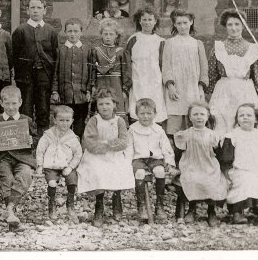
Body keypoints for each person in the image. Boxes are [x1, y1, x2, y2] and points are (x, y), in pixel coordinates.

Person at [77, 88, 133, 227]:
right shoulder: (93, 121)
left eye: (108, 104)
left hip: (115, 153)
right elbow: (89, 142)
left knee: (120, 168)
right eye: (101, 104)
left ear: (114, 104)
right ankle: (99, 205)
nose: (104, 107)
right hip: (96, 154)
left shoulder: (119, 121)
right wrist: (103, 148)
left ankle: (116, 198)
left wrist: (108, 145)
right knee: (97, 170)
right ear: (97, 106)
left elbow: (123, 141)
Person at [207, 9, 258, 134]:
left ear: (243, 26)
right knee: (222, 122)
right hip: (224, 91)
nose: (234, 28)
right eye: (230, 25)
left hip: (244, 91)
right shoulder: (218, 48)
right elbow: (212, 74)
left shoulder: (253, 49)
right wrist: (209, 91)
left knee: (244, 121)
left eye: (237, 24)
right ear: (225, 26)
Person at [162, 9, 208, 161]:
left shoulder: (197, 44)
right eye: (179, 23)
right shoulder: (169, 43)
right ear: (174, 25)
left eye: (185, 23)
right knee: (175, 126)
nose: (182, 26)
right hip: (176, 89)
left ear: (191, 22)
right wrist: (170, 86)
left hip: (192, 88)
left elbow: (203, 68)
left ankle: (192, 160)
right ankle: (174, 163)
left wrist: (200, 88)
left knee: (192, 123)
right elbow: (166, 66)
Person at [0, 85, 36, 230]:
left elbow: (35, 138)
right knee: (7, 178)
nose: (10, 107)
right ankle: (11, 211)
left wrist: (31, 141)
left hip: (22, 157)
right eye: (7, 103)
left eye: (14, 103)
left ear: (20, 102)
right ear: (1, 103)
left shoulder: (26, 120)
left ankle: (9, 210)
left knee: (25, 174)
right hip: (2, 158)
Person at [173, 101, 227, 227]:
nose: (198, 117)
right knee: (191, 179)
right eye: (195, 114)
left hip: (209, 165)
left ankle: (211, 211)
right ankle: (192, 209)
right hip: (191, 165)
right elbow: (178, 153)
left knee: (212, 180)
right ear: (190, 117)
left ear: (207, 116)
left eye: (202, 114)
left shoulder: (213, 135)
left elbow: (218, 154)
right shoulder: (185, 134)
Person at [12, 0, 59, 138]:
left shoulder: (50, 31)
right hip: (25, 77)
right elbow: (14, 56)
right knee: (25, 109)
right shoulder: (20, 30)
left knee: (43, 109)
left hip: (44, 76)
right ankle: (26, 142)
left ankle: (42, 141)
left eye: (39, 8)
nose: (35, 11)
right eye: (32, 7)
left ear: (45, 11)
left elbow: (55, 56)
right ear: (27, 10)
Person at [127, 98, 175, 221]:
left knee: (159, 171)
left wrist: (169, 162)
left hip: (154, 159)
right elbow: (129, 148)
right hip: (139, 159)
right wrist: (127, 164)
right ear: (136, 114)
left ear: (155, 114)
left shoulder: (158, 130)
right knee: (140, 173)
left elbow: (166, 148)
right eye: (142, 113)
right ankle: (141, 205)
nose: (145, 116)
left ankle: (159, 204)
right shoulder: (132, 129)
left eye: (149, 113)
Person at [36, 105, 83, 223]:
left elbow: (78, 154)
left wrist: (71, 166)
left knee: (72, 181)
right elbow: (40, 150)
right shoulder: (48, 135)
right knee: (52, 183)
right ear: (55, 120)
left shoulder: (73, 138)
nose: (64, 123)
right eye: (61, 120)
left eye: (67, 120)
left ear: (72, 121)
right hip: (51, 166)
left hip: (67, 165)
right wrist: (40, 165)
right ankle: (52, 204)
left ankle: (70, 204)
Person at [126, 5, 167, 124]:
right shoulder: (133, 39)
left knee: (154, 107)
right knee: (137, 106)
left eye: (150, 20)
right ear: (139, 21)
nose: (147, 22)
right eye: (144, 19)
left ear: (155, 21)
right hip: (137, 79)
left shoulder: (160, 41)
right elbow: (127, 62)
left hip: (154, 81)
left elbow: (162, 64)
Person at [51, 18, 91, 140]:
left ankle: (77, 148)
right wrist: (55, 91)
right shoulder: (60, 51)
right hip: (65, 94)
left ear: (81, 32)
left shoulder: (87, 50)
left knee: (79, 124)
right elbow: (55, 72)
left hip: (81, 95)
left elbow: (91, 72)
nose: (73, 34)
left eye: (76, 31)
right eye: (70, 31)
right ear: (65, 32)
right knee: (64, 123)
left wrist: (89, 90)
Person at [91, 18, 131, 118]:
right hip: (100, 83)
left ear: (116, 35)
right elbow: (92, 71)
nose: (108, 37)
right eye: (105, 34)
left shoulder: (121, 51)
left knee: (116, 111)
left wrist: (125, 90)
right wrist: (92, 86)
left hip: (116, 84)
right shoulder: (96, 51)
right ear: (101, 34)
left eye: (111, 34)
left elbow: (126, 72)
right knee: (101, 109)